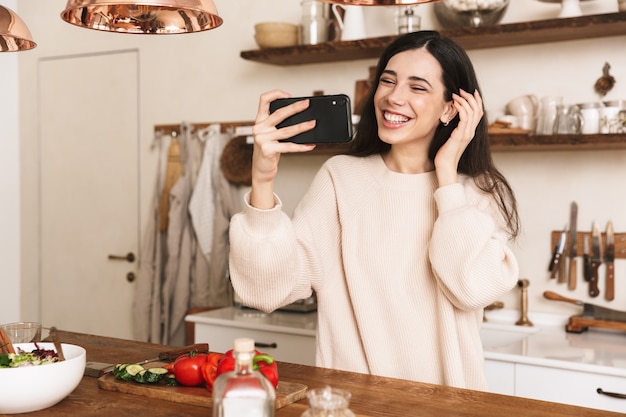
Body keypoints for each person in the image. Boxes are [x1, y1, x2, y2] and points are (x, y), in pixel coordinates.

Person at [228, 30, 520, 391]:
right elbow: (266, 290)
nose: (393, 97)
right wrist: (262, 177)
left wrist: (447, 175)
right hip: (354, 404)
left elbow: (470, 290)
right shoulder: (341, 179)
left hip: (450, 406)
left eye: (417, 87)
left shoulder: (476, 195)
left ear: (451, 108)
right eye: (387, 81)